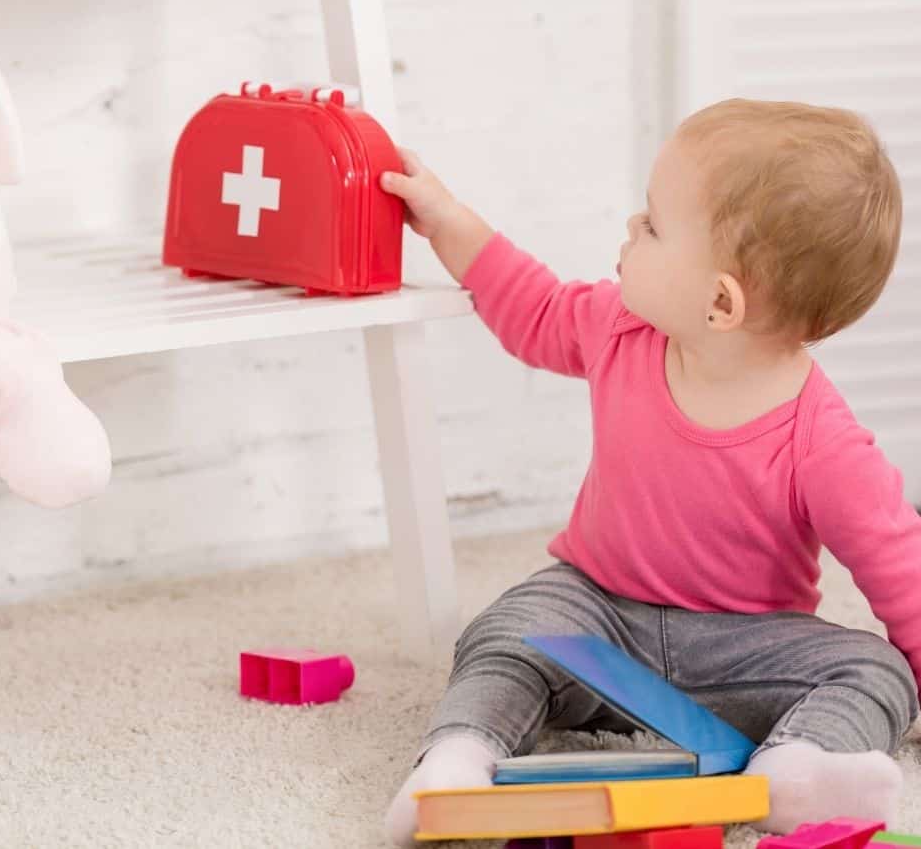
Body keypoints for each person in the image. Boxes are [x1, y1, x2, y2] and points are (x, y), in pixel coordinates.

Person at [379, 98, 920, 845]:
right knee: (508, 630)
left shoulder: (822, 442)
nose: (631, 230)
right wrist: (446, 219)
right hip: (596, 611)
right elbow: (532, 308)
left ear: (720, 301)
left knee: (878, 671)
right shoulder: (619, 327)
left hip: (745, 644)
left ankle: (795, 770)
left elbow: (901, 568)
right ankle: (457, 761)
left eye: (654, 225)